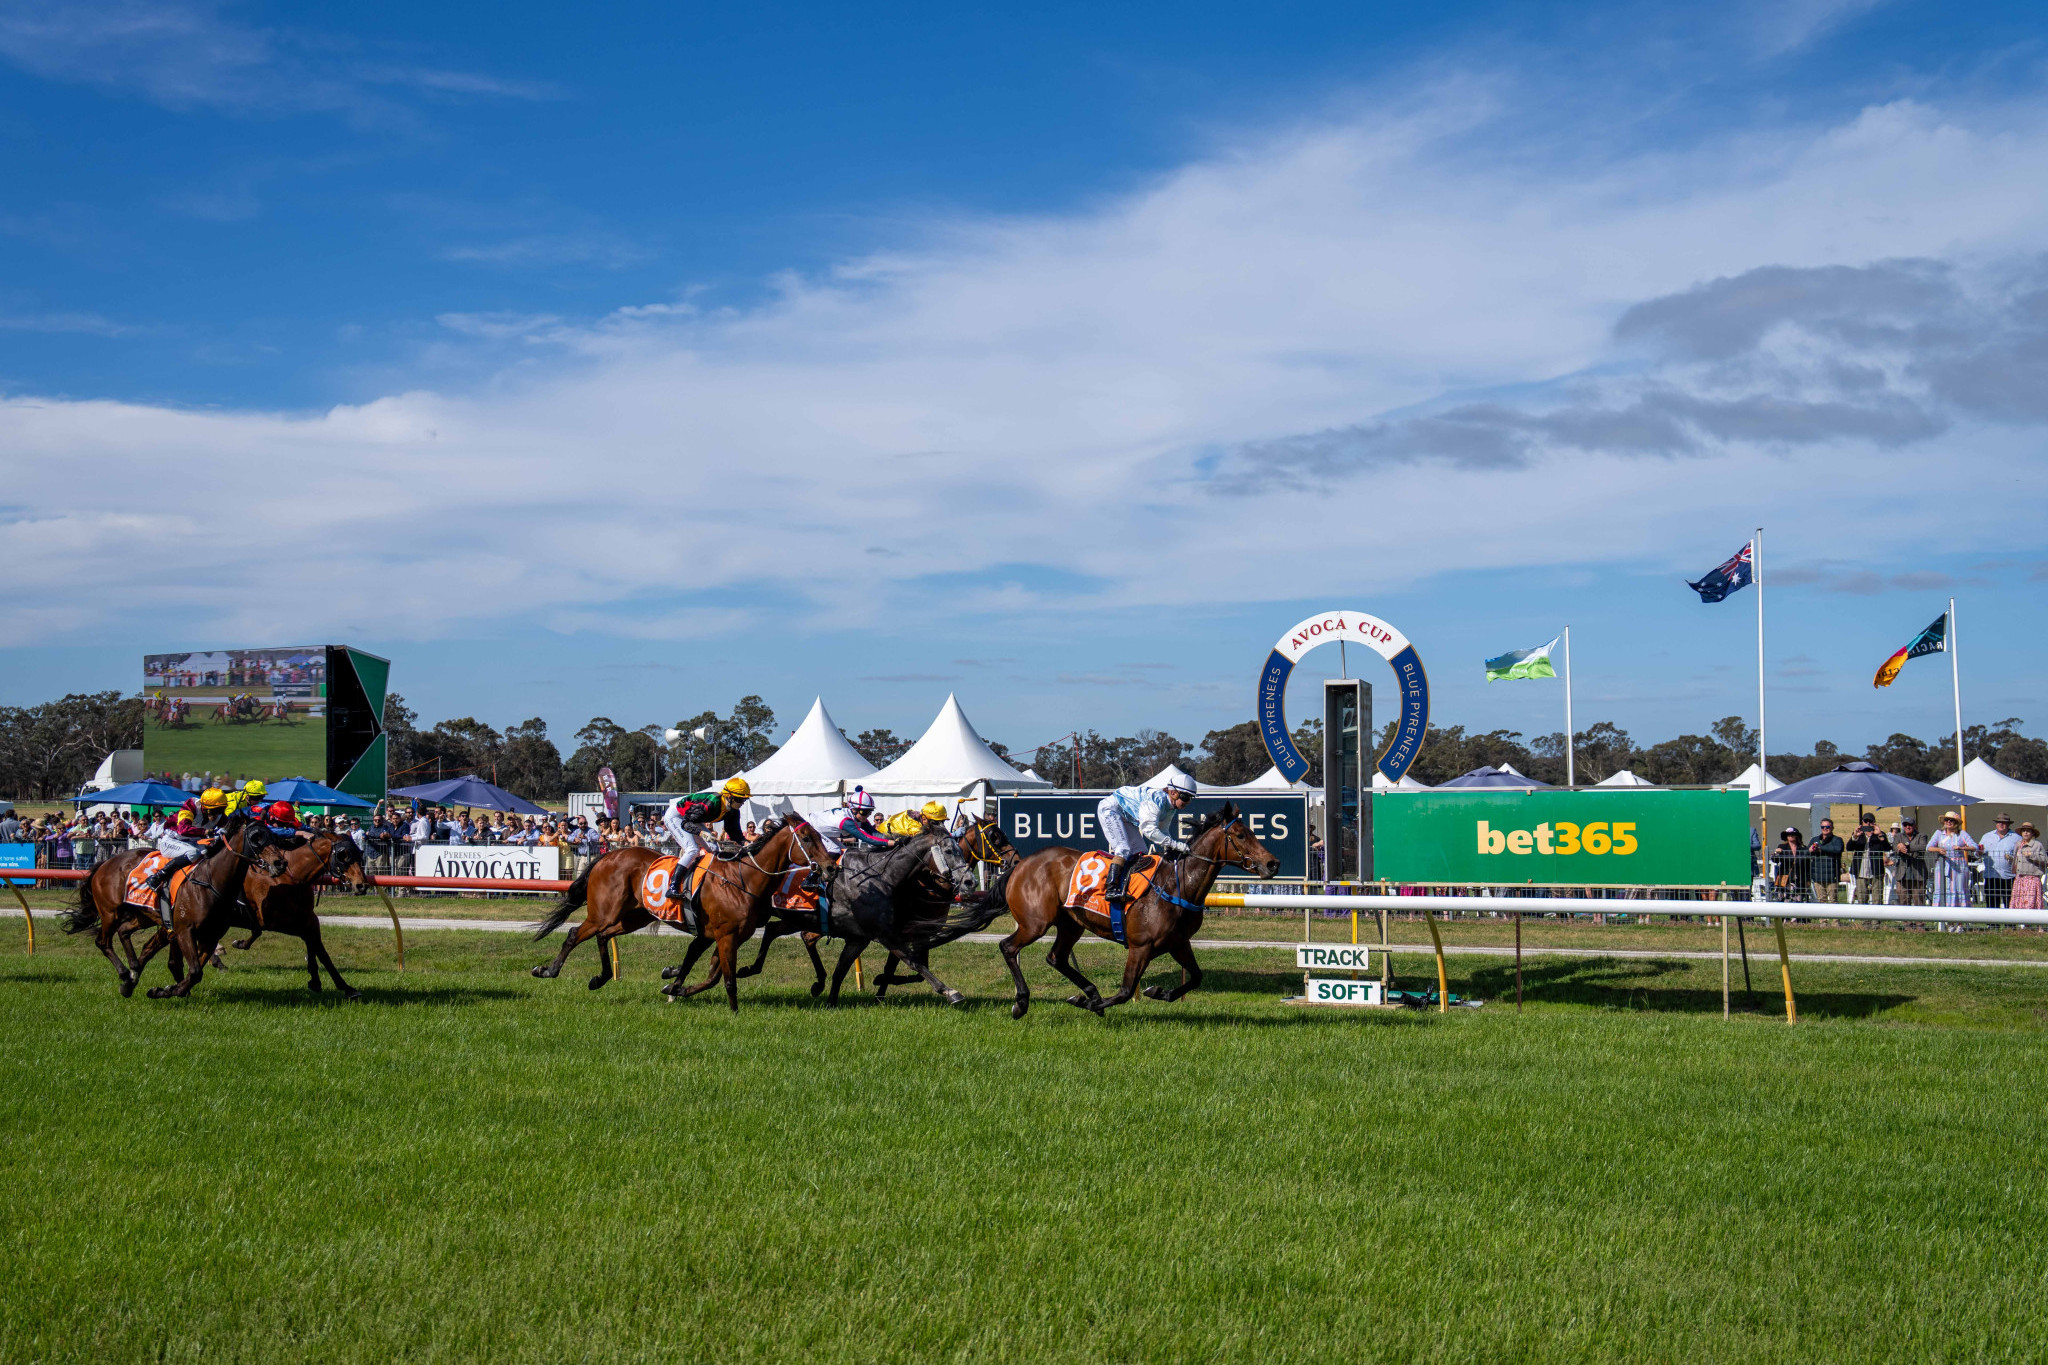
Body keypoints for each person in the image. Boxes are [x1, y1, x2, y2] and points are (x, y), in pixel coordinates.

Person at [1096, 771, 1198, 906]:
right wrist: (1175, 845)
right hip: (1111, 809)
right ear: (1173, 793)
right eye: (1185, 797)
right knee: (1123, 849)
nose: (1188, 802)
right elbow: (1149, 831)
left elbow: (1163, 831)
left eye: (1191, 798)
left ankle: (1129, 885)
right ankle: (1111, 889)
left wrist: (1171, 848)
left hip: (1125, 816)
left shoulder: (1170, 808)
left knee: (1141, 851)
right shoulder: (1156, 800)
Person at [660, 777, 750, 919]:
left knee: (714, 848)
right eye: (740, 799)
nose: (742, 803)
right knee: (692, 849)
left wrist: (746, 843)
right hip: (677, 816)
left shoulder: (732, 810)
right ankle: (673, 886)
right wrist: (701, 833)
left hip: (693, 819)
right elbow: (685, 824)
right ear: (729, 796)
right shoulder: (712, 803)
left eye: (744, 800)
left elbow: (735, 833)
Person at [144, 805, 208, 905]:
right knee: (193, 853)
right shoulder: (188, 813)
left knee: (206, 851)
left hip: (186, 842)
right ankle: (157, 877)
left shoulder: (207, 817)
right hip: (170, 842)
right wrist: (205, 832)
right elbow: (184, 830)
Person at [1926, 811, 1977, 911]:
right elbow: (1929, 847)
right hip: (1942, 865)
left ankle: (1960, 921)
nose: (1948, 822)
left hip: (1958, 866)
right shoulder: (1939, 834)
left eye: (1951, 820)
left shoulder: (1962, 834)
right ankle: (1942, 919)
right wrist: (1938, 850)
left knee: (1959, 889)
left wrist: (1961, 848)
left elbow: (1974, 846)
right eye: (1946, 820)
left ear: (1956, 823)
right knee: (1942, 889)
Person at [1845, 813, 1889, 905]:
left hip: (1876, 871)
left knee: (1877, 898)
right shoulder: (1859, 834)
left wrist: (1880, 835)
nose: (1868, 823)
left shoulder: (1880, 834)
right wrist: (1855, 836)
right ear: (1862, 823)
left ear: (1874, 823)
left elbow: (1887, 848)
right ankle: (1865, 919)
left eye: (1870, 821)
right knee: (1862, 897)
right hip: (1861, 870)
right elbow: (1849, 848)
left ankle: (1876, 919)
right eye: (1866, 821)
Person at [1979, 814, 2020, 909]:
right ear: (1996, 824)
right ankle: (1992, 924)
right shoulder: (1986, 836)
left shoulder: (2017, 838)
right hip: (1991, 875)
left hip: (2008, 876)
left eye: (2004, 823)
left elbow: (2020, 857)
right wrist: (1979, 852)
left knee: (2009, 902)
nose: (2001, 824)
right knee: (1992, 902)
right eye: (1999, 822)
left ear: (2008, 825)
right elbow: (1978, 852)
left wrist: (2012, 858)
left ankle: (2010, 924)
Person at [1806, 818, 1844, 904]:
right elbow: (1806, 852)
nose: (1825, 829)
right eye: (1822, 827)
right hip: (1817, 875)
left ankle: (1835, 917)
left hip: (1832, 876)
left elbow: (1838, 849)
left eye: (1827, 826)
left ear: (1832, 828)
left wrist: (1821, 849)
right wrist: (1810, 850)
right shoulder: (1814, 840)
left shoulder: (1837, 840)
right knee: (1821, 901)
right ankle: (1823, 918)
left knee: (1833, 900)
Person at [2012, 822, 2047, 911]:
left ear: (2032, 833)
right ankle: (2020, 922)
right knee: (2019, 902)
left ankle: (2030, 922)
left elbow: (2045, 860)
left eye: (2028, 831)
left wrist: (2031, 855)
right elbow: (2017, 859)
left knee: (2030, 903)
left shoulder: (2037, 845)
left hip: (2032, 878)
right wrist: (2010, 859)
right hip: (2020, 878)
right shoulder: (2018, 844)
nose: (2026, 833)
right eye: (2024, 831)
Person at [1768, 826, 1807, 903]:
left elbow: (1807, 864)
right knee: (1784, 901)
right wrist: (1777, 853)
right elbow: (1775, 860)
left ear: (1797, 836)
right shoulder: (1782, 847)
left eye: (1792, 834)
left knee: (1798, 900)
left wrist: (1808, 879)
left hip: (1799, 879)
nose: (1791, 836)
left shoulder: (1803, 848)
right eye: (1788, 835)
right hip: (1785, 878)